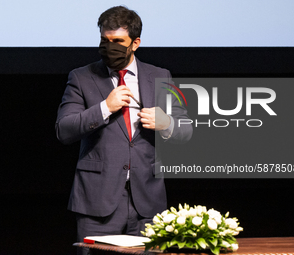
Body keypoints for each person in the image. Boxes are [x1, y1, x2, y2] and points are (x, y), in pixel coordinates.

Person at [55, 6, 192, 254]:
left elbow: (186, 131)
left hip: (148, 205)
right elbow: (64, 130)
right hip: (97, 204)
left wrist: (167, 124)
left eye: (118, 41)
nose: (110, 48)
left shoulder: (160, 76)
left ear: (135, 43)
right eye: (104, 41)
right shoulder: (82, 77)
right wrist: (104, 107)